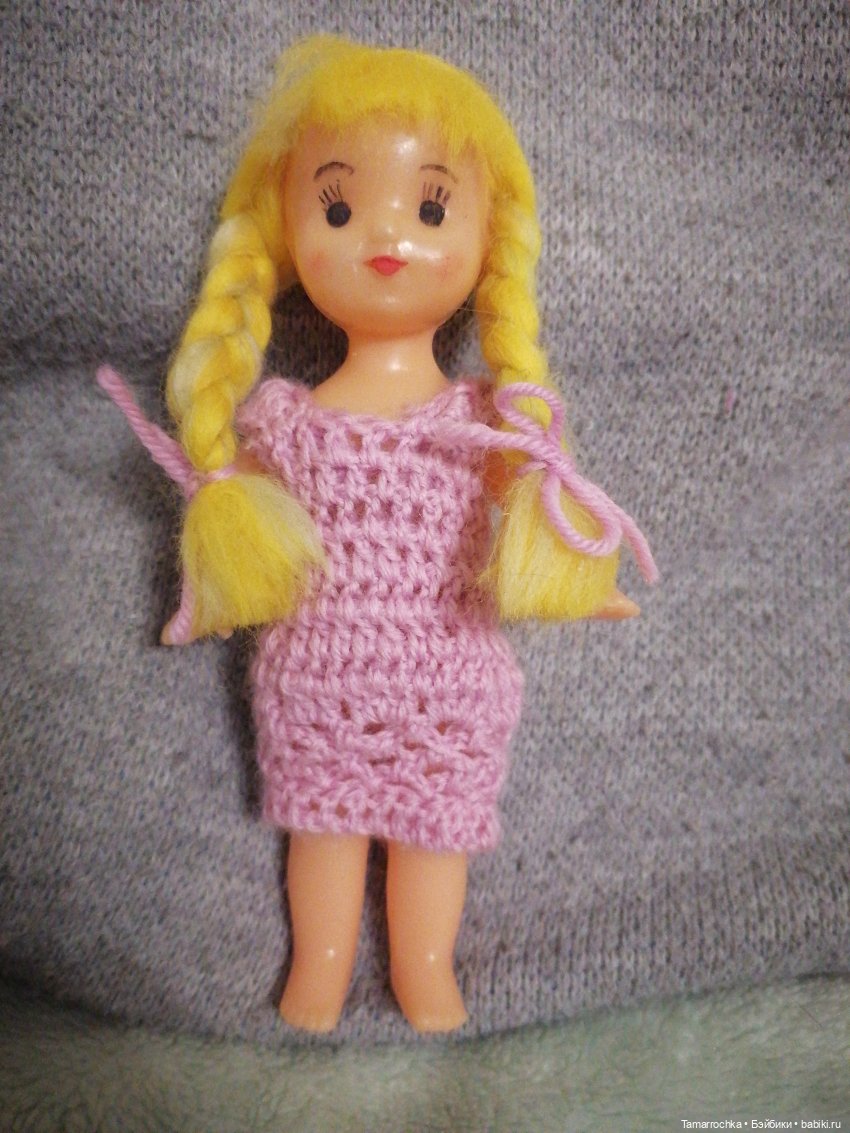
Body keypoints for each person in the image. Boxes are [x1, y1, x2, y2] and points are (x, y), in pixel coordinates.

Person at [99, 35, 656, 1032]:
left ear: (488, 239)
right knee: (322, 825)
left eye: (432, 208)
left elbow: (540, 516)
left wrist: (586, 580)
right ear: (287, 230)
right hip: (318, 679)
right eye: (339, 208)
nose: (387, 236)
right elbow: (240, 524)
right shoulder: (285, 421)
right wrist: (209, 591)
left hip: (451, 680)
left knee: (436, 831)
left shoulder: (484, 422)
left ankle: (424, 967)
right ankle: (317, 964)